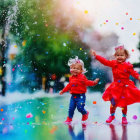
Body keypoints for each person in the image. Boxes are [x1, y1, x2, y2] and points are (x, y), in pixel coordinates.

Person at [91, 45, 140, 124]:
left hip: (125, 86)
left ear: (126, 56)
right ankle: (112, 115)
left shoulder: (128, 66)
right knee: (113, 102)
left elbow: (134, 73)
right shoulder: (114, 63)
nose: (119, 57)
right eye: (117, 55)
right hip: (116, 86)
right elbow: (105, 62)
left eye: (122, 55)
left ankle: (124, 117)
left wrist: (138, 77)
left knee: (124, 103)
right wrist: (96, 56)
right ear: (115, 56)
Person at [59, 56, 99, 124]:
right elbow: (69, 86)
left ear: (81, 70)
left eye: (77, 69)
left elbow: (87, 82)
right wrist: (63, 91)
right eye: (73, 68)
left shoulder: (82, 77)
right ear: (70, 69)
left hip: (81, 96)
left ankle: (85, 113)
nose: (75, 70)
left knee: (80, 108)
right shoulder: (71, 78)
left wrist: (94, 82)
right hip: (73, 96)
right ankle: (69, 118)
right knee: (71, 108)